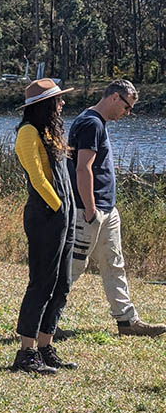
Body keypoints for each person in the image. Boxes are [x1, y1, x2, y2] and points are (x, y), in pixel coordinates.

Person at [66, 80, 166, 337]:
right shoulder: (91, 123)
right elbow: (82, 168)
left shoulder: (97, 123)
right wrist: (90, 210)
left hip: (106, 209)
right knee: (73, 267)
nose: (127, 113)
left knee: (114, 263)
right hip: (89, 211)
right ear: (113, 97)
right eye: (127, 106)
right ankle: (45, 323)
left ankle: (127, 321)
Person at [10, 79, 77, 374]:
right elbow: (37, 179)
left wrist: (69, 211)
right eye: (58, 100)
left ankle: (45, 346)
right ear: (45, 104)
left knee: (61, 283)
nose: (62, 104)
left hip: (65, 215)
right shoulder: (27, 133)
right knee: (42, 283)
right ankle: (25, 353)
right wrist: (59, 207)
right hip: (45, 216)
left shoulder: (51, 131)